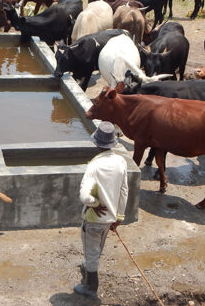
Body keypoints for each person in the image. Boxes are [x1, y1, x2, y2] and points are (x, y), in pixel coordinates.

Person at [74, 121, 129, 299]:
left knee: (91, 253)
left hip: (94, 219)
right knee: (97, 249)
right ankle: (88, 272)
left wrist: (95, 203)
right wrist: (119, 216)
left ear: (97, 143)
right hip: (110, 219)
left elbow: (84, 197)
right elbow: (124, 190)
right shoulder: (121, 161)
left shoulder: (94, 166)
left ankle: (91, 288)